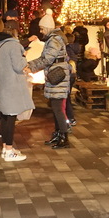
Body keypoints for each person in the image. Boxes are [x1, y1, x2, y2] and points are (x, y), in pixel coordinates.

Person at [27, 10, 71, 148]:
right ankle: (58, 134)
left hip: (57, 75)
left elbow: (47, 59)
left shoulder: (54, 40)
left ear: (47, 27)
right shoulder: (54, 39)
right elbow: (44, 58)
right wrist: (30, 65)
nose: (40, 31)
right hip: (55, 74)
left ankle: (64, 137)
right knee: (55, 107)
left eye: (41, 28)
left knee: (57, 108)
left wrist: (32, 67)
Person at [0, 25, 34, 161]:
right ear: (15, 32)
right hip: (12, 85)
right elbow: (18, 66)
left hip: (1, 83)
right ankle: (9, 151)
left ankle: (5, 148)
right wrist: (24, 56)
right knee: (10, 118)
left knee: (5, 117)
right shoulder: (14, 46)